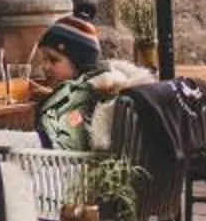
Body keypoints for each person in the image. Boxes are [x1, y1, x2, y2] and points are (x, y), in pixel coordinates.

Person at [31, 14, 149, 149]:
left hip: (58, 159)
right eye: (44, 59)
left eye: (53, 60)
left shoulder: (86, 97)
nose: (45, 67)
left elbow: (71, 141)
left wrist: (31, 141)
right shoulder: (82, 88)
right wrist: (52, 96)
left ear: (79, 62)